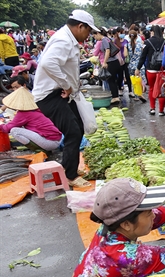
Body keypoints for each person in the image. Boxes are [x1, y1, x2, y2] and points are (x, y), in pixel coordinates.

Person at [33, 10, 99, 188]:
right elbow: (48, 63)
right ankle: (70, 176)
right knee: (73, 132)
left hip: (59, 92)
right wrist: (66, 85)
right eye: (88, 31)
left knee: (78, 127)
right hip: (49, 95)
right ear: (80, 26)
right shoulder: (63, 39)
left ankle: (70, 167)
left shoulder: (67, 38)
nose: (88, 35)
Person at [0, 87, 62, 152]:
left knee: (14, 131)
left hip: (50, 142)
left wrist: (1, 125)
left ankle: (39, 150)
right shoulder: (37, 108)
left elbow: (7, 128)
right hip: (57, 139)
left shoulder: (23, 113)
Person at [135, 25, 165, 116]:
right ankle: (161, 111)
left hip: (151, 70)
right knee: (161, 90)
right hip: (161, 70)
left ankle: (152, 109)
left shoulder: (147, 42)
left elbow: (142, 57)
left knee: (152, 88)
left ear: (152, 32)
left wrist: (138, 68)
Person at [93, 28, 121, 105]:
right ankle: (115, 96)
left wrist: (104, 62)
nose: (95, 38)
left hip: (111, 62)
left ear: (98, 33)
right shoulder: (107, 39)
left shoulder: (104, 40)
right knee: (113, 80)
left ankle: (115, 97)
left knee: (111, 80)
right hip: (114, 61)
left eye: (95, 36)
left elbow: (107, 50)